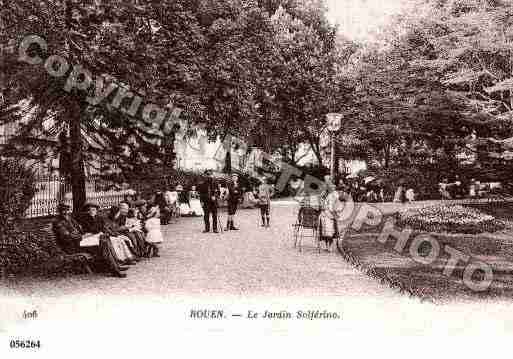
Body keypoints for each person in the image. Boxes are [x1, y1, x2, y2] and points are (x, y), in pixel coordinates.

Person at [52, 203, 128, 277]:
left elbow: (79, 229)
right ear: (59, 211)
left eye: (67, 210)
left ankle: (115, 266)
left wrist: (83, 234)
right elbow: (67, 237)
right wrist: (82, 236)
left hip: (79, 241)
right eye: (63, 210)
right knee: (103, 242)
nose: (65, 212)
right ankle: (114, 269)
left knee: (105, 240)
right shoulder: (58, 222)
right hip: (71, 246)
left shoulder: (69, 218)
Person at [319, 183, 341, 252]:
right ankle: (328, 245)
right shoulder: (325, 195)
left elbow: (335, 205)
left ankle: (329, 245)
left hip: (328, 214)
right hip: (326, 214)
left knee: (328, 229)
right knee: (327, 229)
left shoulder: (334, 195)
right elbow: (323, 205)